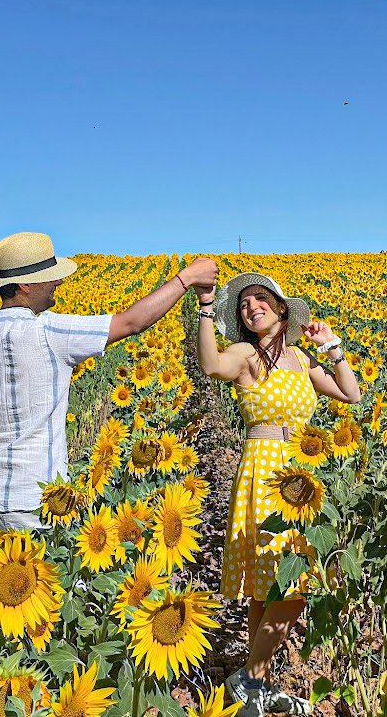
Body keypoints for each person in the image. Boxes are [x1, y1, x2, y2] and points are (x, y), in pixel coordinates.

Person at [0, 231, 217, 572]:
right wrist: (187, 278)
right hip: (30, 502)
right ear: (24, 286)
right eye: (48, 278)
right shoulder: (48, 331)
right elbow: (132, 321)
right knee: (38, 611)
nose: (57, 284)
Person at [195, 272, 360, 717]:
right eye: (244, 303)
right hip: (264, 469)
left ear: (281, 308)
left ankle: (255, 684)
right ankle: (252, 680)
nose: (252, 306)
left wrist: (331, 345)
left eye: (260, 298)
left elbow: (352, 393)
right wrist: (207, 307)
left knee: (272, 589)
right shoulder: (246, 355)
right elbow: (211, 365)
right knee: (289, 586)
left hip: (302, 473)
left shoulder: (302, 359)